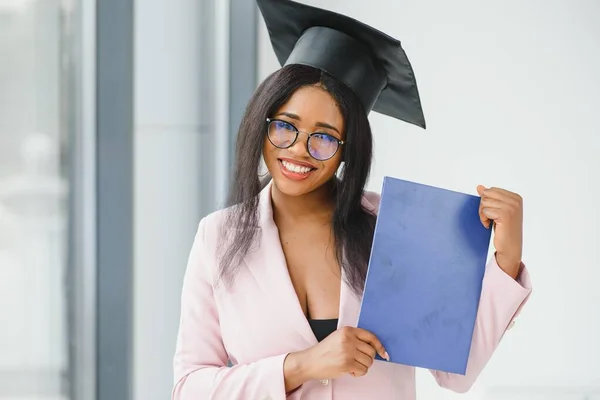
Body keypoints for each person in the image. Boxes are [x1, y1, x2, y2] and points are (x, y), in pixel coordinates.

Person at [171, 0, 532, 399]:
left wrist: (506, 261)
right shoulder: (217, 236)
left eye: (324, 137)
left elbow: (454, 374)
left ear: (348, 149)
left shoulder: (394, 228)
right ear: (263, 123)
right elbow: (190, 388)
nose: (298, 150)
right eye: (285, 127)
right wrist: (301, 365)